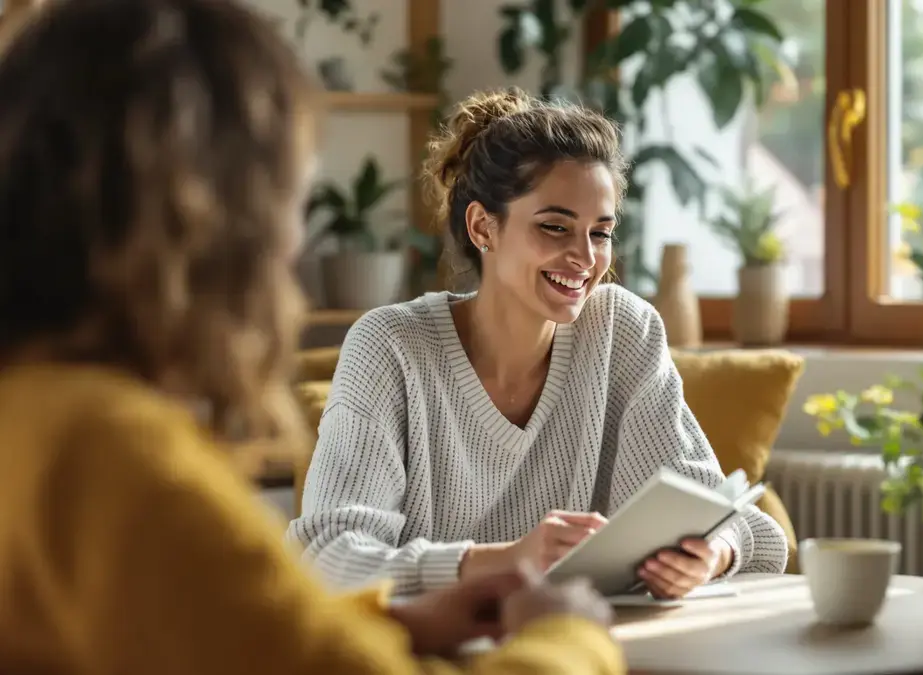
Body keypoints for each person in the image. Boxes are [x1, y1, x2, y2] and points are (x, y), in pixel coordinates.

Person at [0, 0, 621, 672]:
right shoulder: (117, 456)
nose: (294, 242)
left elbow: (216, 634)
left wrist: (393, 622)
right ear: (209, 218)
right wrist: (567, 636)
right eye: (287, 198)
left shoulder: (30, 415)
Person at [287, 88, 789, 600]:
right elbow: (327, 559)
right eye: (555, 227)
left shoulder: (622, 331)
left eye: (600, 233)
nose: (585, 257)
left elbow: (750, 529)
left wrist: (712, 555)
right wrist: (505, 561)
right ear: (484, 226)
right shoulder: (391, 347)